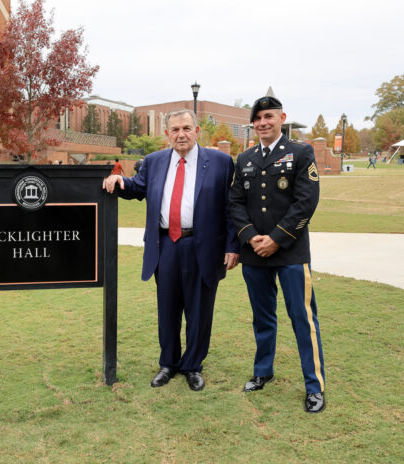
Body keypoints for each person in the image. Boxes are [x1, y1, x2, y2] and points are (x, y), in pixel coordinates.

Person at [103, 109, 239, 391]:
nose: (181, 134)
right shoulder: (153, 162)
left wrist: (232, 246)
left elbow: (231, 208)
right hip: (164, 245)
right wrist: (119, 181)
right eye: (175, 129)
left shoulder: (221, 162)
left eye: (187, 128)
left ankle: (193, 366)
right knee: (167, 308)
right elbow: (138, 188)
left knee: (199, 310)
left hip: (203, 246)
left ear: (197, 130)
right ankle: (168, 363)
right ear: (166, 134)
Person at [228, 96, 326, 414]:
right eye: (257, 119)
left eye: (269, 116)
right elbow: (235, 203)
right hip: (255, 254)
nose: (263, 123)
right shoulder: (244, 158)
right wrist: (248, 236)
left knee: (303, 319)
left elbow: (306, 202)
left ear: (282, 117)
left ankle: (314, 387)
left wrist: (277, 239)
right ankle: (262, 372)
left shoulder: (300, 152)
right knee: (263, 318)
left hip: (291, 253)